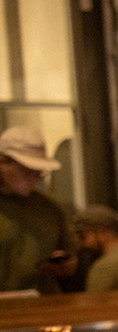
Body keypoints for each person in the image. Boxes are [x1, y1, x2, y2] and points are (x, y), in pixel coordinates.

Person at [0, 126, 77, 294]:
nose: (34, 179)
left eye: (39, 173)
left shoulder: (50, 208)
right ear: (3, 161)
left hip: (40, 304)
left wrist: (65, 266)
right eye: (27, 171)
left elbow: (71, 258)